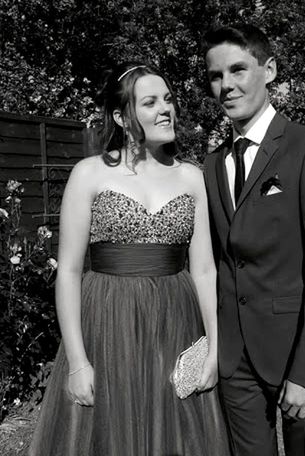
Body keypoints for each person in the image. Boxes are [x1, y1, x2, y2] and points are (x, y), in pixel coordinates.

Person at [29, 62, 231, 456]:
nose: (166, 109)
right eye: (151, 102)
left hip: (176, 322)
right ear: (122, 117)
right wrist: (76, 361)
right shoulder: (88, 174)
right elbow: (69, 272)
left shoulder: (191, 177)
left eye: (169, 99)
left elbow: (205, 270)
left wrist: (214, 347)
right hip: (106, 324)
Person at [202, 24, 305, 456]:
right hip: (234, 359)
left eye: (238, 70)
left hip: (297, 351)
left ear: (269, 70)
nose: (226, 85)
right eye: (215, 75)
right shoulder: (211, 165)